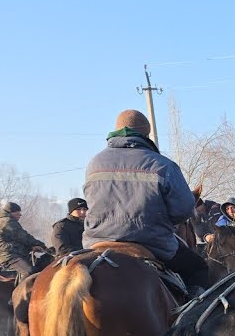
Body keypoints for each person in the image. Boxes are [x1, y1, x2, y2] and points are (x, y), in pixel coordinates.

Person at [83, 109, 209, 296]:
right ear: (146, 134)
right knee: (198, 269)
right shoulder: (162, 164)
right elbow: (183, 209)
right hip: (151, 242)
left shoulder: (94, 163)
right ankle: (192, 322)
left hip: (97, 242)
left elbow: (91, 200)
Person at [0, 202, 50, 278]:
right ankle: (21, 290)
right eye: (18, 213)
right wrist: (42, 245)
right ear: (11, 212)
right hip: (9, 256)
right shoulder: (7, 222)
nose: (20, 215)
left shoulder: (4, 221)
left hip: (15, 253)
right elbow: (23, 237)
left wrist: (32, 247)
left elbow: (16, 241)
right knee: (30, 272)